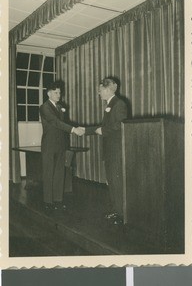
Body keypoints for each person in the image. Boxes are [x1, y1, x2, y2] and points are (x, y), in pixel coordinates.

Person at [85, 77, 128, 225]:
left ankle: (122, 214)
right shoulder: (110, 104)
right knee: (112, 181)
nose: (98, 93)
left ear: (108, 90)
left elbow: (119, 125)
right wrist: (92, 130)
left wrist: (101, 130)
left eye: (100, 90)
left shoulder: (119, 103)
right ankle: (116, 210)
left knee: (116, 182)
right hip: (110, 150)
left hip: (116, 150)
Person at [39, 80, 84, 212]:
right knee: (49, 173)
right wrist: (73, 129)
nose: (59, 95)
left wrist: (75, 127)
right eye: (55, 92)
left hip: (60, 144)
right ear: (49, 94)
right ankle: (48, 201)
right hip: (49, 145)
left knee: (59, 172)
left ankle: (58, 200)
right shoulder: (44, 107)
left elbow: (63, 123)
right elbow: (56, 122)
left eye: (59, 92)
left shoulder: (59, 107)